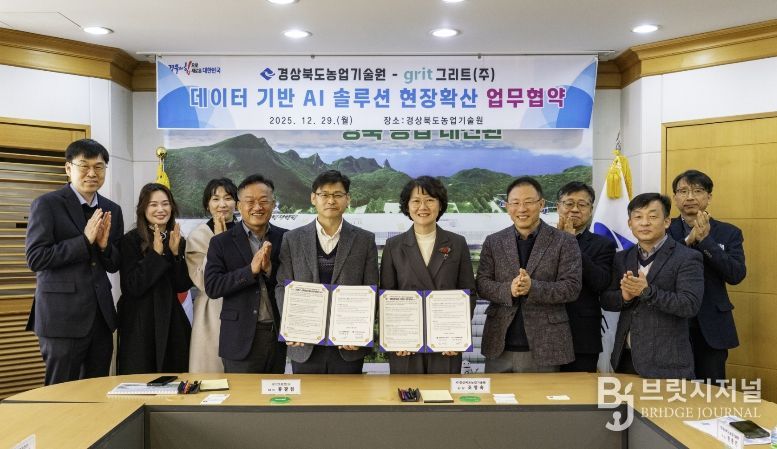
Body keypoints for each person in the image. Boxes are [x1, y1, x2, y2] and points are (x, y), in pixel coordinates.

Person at [25, 139, 123, 385]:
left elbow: (114, 264)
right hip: (61, 319)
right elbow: (36, 257)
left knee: (96, 390)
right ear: (68, 168)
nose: (92, 173)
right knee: (61, 393)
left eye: (99, 167)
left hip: (100, 319)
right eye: (84, 166)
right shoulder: (47, 204)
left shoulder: (112, 209)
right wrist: (84, 241)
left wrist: (103, 247)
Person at [276, 170, 379, 374]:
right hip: (304, 343)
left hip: (348, 345)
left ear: (348, 199)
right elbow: (282, 286)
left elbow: (372, 289)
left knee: (347, 395)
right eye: (324, 194)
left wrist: (361, 331)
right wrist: (290, 325)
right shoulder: (292, 239)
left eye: (337, 195)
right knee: (307, 395)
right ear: (313, 198)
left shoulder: (364, 240)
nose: (331, 200)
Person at [477, 176, 582, 373]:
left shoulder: (565, 241)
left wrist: (533, 287)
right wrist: (508, 289)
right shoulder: (493, 241)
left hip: (546, 346)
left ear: (541, 204)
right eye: (515, 203)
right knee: (496, 394)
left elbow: (571, 287)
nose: (522, 209)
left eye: (528, 202)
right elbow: (482, 284)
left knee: (543, 395)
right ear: (507, 206)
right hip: (499, 345)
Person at [380, 176, 477, 374]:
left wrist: (457, 335)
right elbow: (386, 295)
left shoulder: (457, 243)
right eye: (416, 201)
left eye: (430, 200)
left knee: (443, 393)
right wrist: (395, 337)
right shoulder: (393, 246)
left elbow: (469, 293)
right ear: (407, 206)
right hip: (405, 346)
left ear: (440, 205)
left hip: (446, 345)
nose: (422, 207)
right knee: (406, 392)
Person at [601, 193, 704, 379]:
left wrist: (646, 291)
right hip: (626, 358)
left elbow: (689, 305)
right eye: (638, 217)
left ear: (667, 221)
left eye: (653, 216)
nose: (645, 222)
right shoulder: (622, 258)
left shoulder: (687, 257)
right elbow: (607, 300)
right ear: (630, 223)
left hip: (668, 363)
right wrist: (624, 297)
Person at [668, 170, 746, 384]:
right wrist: (688, 241)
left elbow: (736, 274)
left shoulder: (729, 232)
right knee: (673, 390)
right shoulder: (664, 230)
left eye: (697, 191)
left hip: (712, 324)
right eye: (683, 191)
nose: (690, 197)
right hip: (672, 321)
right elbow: (660, 267)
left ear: (709, 197)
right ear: (675, 197)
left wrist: (705, 242)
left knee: (713, 391)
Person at [204, 175, 288, 373]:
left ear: (273, 204)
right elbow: (213, 287)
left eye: (264, 201)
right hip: (239, 337)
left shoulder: (287, 238)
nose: (257, 207)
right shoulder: (221, 242)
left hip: (277, 335)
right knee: (241, 393)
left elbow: (293, 283)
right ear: (239, 206)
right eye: (250, 201)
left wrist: (269, 270)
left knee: (274, 392)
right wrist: (250, 271)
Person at [117, 183, 192, 374]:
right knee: (140, 379)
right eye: (153, 204)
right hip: (140, 322)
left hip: (171, 320)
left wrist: (175, 254)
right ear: (143, 209)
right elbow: (132, 286)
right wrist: (156, 255)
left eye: (165, 204)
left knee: (174, 377)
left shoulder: (177, 239)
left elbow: (182, 285)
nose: (160, 209)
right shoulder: (130, 240)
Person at [556, 182, 616, 372]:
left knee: (580, 389)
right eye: (569, 203)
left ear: (591, 210)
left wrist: (571, 243)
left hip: (582, 336)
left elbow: (601, 282)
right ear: (558, 207)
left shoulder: (603, 244)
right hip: (544, 335)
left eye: (582, 204)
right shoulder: (542, 240)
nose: (575, 209)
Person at [185, 178, 238, 373]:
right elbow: (203, 281)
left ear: (237, 203)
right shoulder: (198, 236)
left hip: (242, 309)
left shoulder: (247, 231)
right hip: (211, 312)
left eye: (228, 198)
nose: (222, 204)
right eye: (216, 199)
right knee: (211, 373)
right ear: (207, 205)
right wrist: (217, 241)